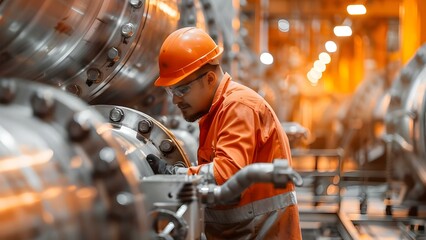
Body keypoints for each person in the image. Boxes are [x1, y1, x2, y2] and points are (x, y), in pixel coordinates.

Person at [149, 27, 302, 239]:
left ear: (210, 79)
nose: (175, 100)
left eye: (181, 90)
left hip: (261, 233)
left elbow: (224, 176)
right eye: (170, 91)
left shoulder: (239, 107)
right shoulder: (217, 111)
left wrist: (173, 175)